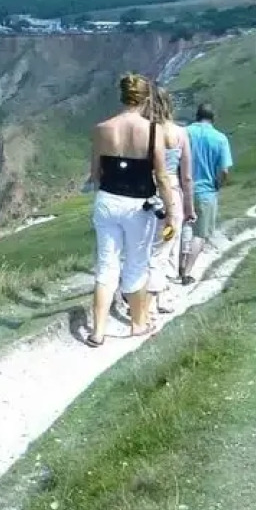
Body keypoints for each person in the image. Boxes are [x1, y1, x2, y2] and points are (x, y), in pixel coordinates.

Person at [88, 73, 173, 347]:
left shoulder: (102, 128)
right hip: (139, 204)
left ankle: (97, 331)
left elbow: (95, 173)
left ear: (122, 96)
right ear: (146, 98)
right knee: (136, 263)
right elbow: (160, 175)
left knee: (106, 264)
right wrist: (170, 210)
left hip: (107, 199)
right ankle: (138, 324)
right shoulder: (153, 130)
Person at [147, 88, 195, 313]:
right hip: (172, 194)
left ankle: (138, 297)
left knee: (145, 245)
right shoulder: (180, 133)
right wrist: (189, 207)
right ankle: (158, 297)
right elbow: (186, 175)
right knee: (166, 244)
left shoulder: (145, 131)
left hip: (146, 194)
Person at [179, 102, 233, 284]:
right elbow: (224, 170)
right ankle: (186, 272)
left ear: (197, 115)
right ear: (213, 118)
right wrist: (219, 184)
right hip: (206, 191)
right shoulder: (220, 138)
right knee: (200, 233)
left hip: (181, 188)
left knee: (182, 227)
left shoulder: (184, 132)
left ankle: (176, 264)